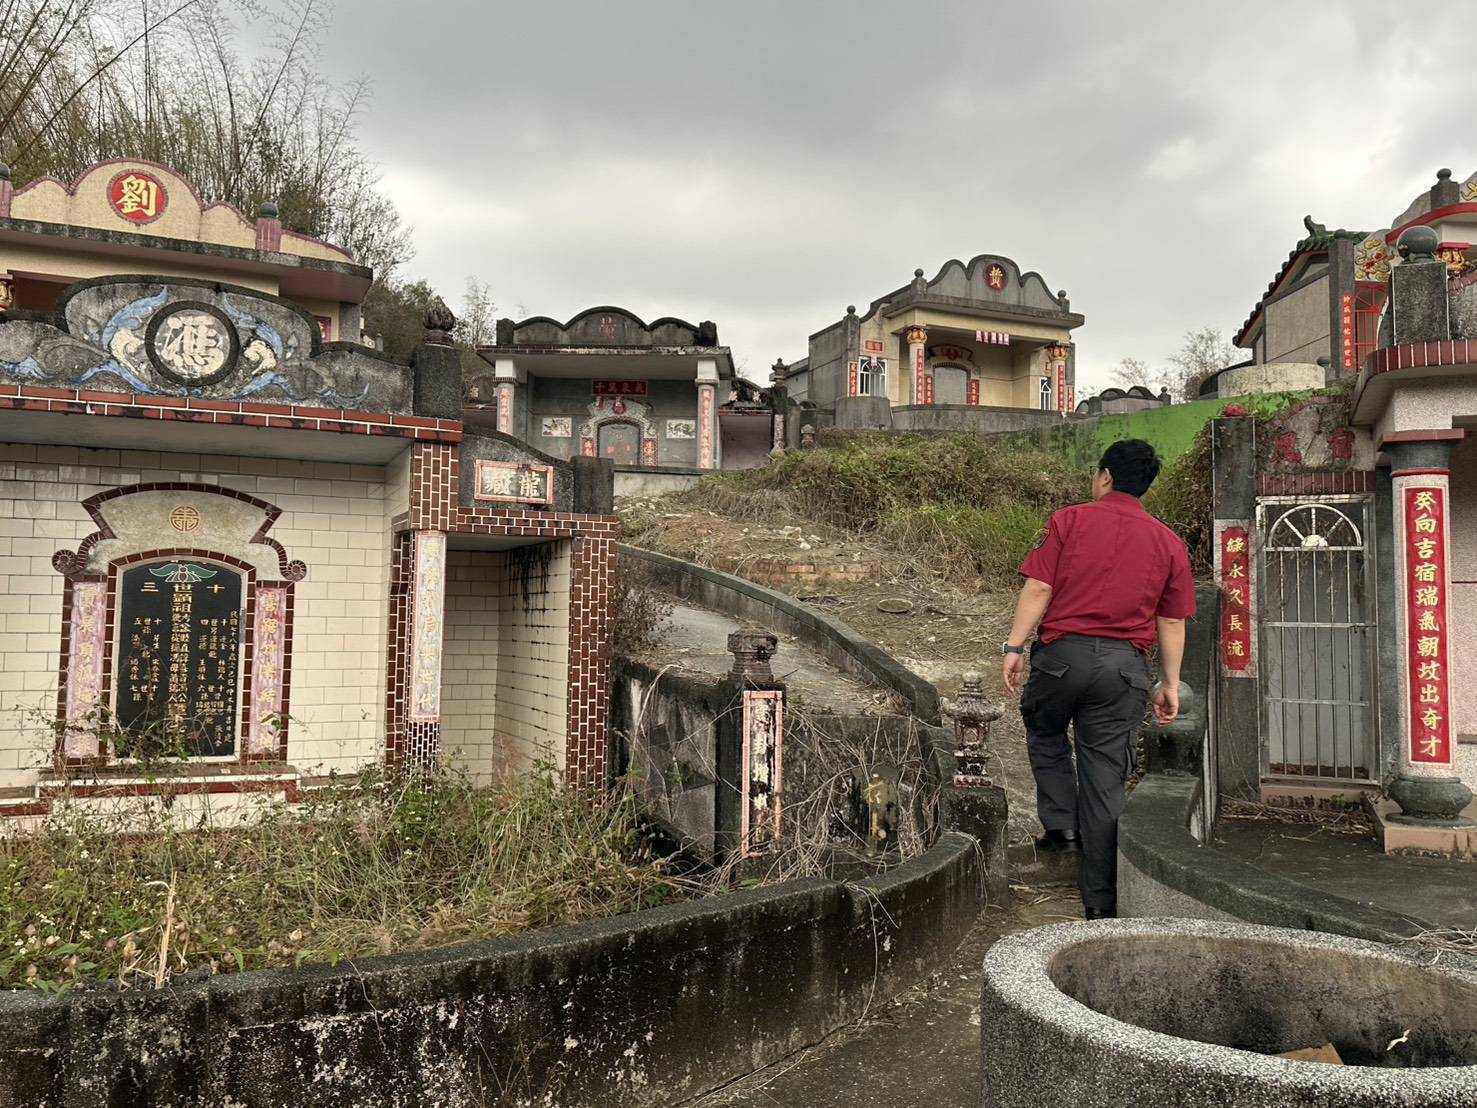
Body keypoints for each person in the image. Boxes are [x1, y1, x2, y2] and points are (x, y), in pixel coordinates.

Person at [1000, 439, 1194, 920]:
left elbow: (1040, 586)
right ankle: (1101, 907)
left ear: (1105, 476)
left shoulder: (1069, 521)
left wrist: (1014, 646)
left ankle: (1061, 825)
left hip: (1061, 660)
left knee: (1045, 731)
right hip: (1124, 670)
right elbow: (1172, 622)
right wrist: (1169, 682)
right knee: (1106, 779)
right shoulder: (1169, 542)